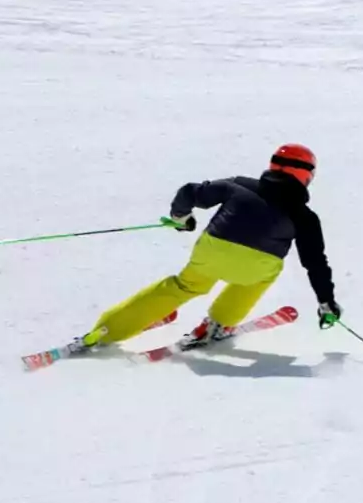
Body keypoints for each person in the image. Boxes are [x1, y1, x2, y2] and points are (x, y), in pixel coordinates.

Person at [79, 143, 339, 350]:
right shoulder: (305, 216)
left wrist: (181, 218)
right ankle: (219, 324)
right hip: (255, 268)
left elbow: (189, 192)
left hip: (210, 253)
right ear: (306, 175)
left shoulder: (239, 184)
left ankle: (106, 331)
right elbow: (315, 263)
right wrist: (326, 302)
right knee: (262, 276)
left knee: (182, 286)